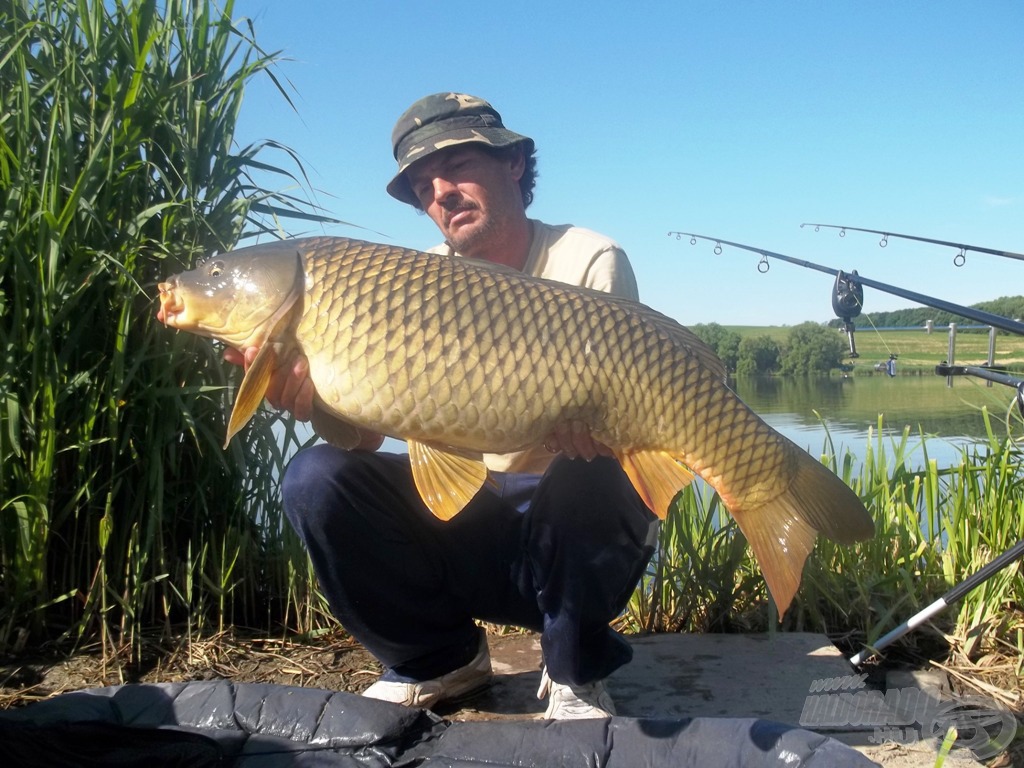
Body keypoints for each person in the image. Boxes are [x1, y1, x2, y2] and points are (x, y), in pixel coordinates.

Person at [230, 93, 658, 719]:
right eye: (421, 186)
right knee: (315, 478)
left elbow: (619, 411)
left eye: (456, 165)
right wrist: (313, 400)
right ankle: (441, 659)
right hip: (469, 520)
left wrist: (594, 426)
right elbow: (365, 440)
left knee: (597, 467)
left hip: (566, 530)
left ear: (512, 163)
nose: (440, 192)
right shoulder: (410, 283)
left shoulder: (586, 258)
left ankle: (574, 666)